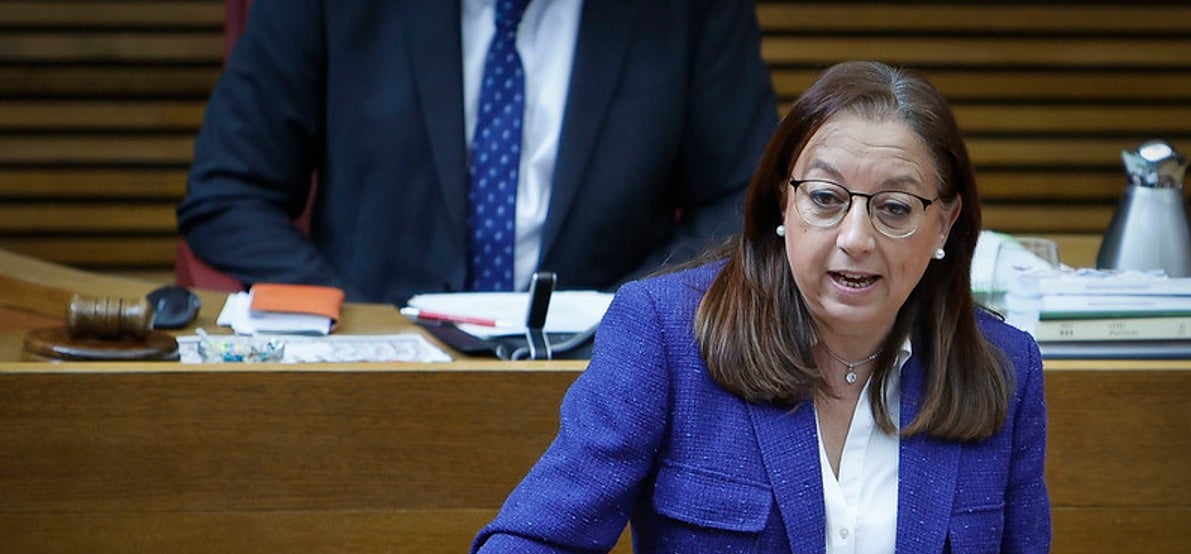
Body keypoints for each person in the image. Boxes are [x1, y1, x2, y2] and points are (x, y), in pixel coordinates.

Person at [234, 60, 1082, 554]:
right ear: (781, 203)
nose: (854, 238)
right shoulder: (669, 335)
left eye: (895, 208)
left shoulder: (1001, 371)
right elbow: (540, 543)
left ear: (945, 224)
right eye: (826, 199)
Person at [176, 0, 779, 303]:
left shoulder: (689, 10)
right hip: (371, 382)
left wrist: (636, 319)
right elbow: (230, 195)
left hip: (604, 393)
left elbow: (743, 203)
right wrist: (353, 320)